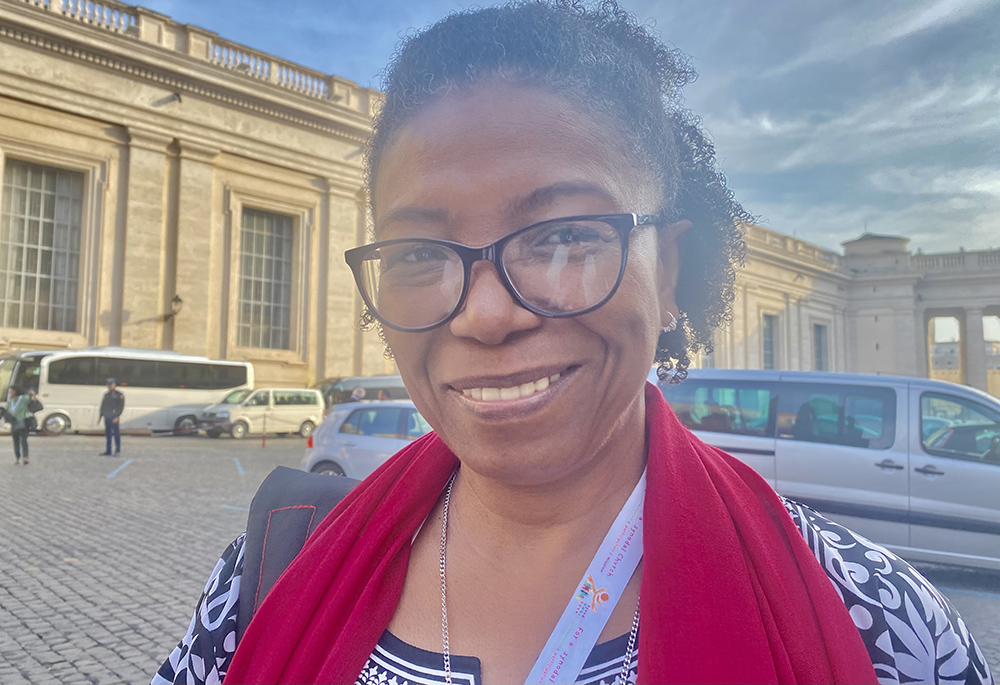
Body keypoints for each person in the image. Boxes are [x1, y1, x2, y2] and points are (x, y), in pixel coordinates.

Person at [153, 3, 993, 684]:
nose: (484, 315)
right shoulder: (262, 578)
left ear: (668, 270)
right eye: (417, 253)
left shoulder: (879, 621)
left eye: (560, 237)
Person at [3, 386, 36, 465]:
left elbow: (33, 401)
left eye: (11, 391)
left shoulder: (24, 398)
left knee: (23, 440)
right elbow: (6, 411)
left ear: (16, 391)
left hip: (24, 422)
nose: (10, 393)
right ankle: (17, 457)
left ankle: (25, 457)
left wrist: (33, 395)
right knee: (16, 441)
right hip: (14, 424)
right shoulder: (10, 402)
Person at [99, 378, 124, 456]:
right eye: (108, 385)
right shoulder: (106, 395)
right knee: (108, 434)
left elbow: (120, 406)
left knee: (116, 434)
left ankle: (117, 450)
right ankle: (108, 450)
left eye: (111, 384)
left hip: (114, 416)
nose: (110, 386)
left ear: (114, 385)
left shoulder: (119, 394)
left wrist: (117, 416)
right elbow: (103, 405)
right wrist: (100, 416)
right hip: (107, 415)